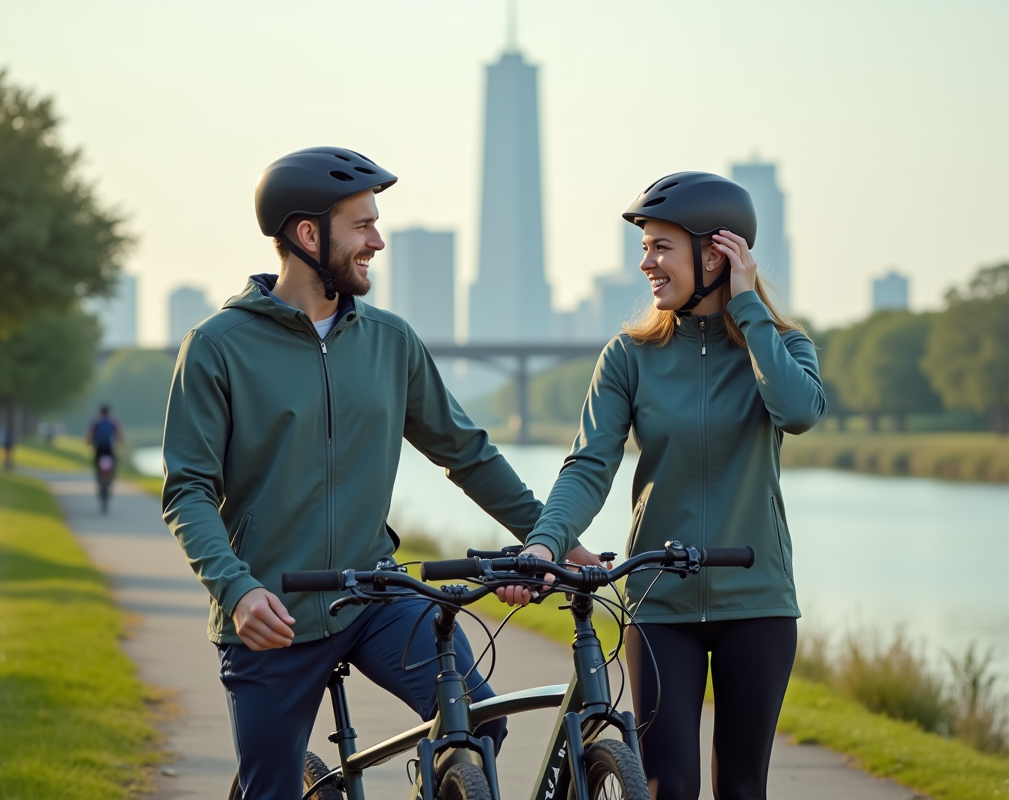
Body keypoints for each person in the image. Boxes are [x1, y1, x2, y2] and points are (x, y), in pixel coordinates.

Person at [161, 146, 597, 799]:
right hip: (272, 608)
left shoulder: (391, 341)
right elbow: (188, 489)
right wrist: (237, 590)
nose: (378, 240)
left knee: (477, 725)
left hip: (374, 595)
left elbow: (466, 453)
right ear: (308, 234)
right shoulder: (219, 346)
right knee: (271, 789)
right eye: (362, 225)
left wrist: (553, 536)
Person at [499, 172, 827, 800]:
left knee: (741, 786)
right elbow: (589, 467)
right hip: (659, 607)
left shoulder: (780, 345)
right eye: (644, 247)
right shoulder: (628, 355)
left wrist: (748, 305)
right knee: (665, 784)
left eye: (660, 247)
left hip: (756, 602)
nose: (646, 263)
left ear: (716, 253)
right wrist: (543, 546)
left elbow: (800, 412)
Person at [86, 405, 123, 475]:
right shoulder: (113, 421)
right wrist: (120, 442)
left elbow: (91, 433)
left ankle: (99, 473)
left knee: (96, 460)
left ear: (100, 412)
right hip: (109, 446)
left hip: (99, 446)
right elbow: (118, 433)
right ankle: (112, 473)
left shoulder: (96, 421)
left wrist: (89, 442)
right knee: (114, 460)